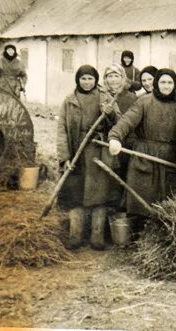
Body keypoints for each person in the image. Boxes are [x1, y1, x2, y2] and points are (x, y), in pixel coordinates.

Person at [108, 69, 176, 226]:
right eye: (162, 82)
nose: (166, 86)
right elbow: (127, 121)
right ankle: (137, 239)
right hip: (144, 156)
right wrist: (115, 137)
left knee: (166, 204)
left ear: (175, 85)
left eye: (170, 82)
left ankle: (160, 238)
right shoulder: (144, 102)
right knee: (141, 199)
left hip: (169, 159)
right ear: (157, 84)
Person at [56, 65, 117, 250]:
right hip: (77, 152)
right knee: (76, 193)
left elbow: (118, 123)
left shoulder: (105, 97)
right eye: (83, 78)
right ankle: (75, 236)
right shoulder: (69, 100)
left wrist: (110, 113)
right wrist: (65, 157)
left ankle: (97, 237)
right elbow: (62, 131)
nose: (87, 82)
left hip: (99, 153)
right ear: (78, 80)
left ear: (96, 80)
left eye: (90, 78)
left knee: (100, 193)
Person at [101, 64, 138, 209]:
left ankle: (122, 214)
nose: (113, 80)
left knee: (123, 178)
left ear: (123, 78)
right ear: (105, 79)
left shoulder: (131, 98)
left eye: (117, 76)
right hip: (105, 144)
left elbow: (132, 122)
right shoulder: (102, 96)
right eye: (110, 76)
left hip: (126, 144)